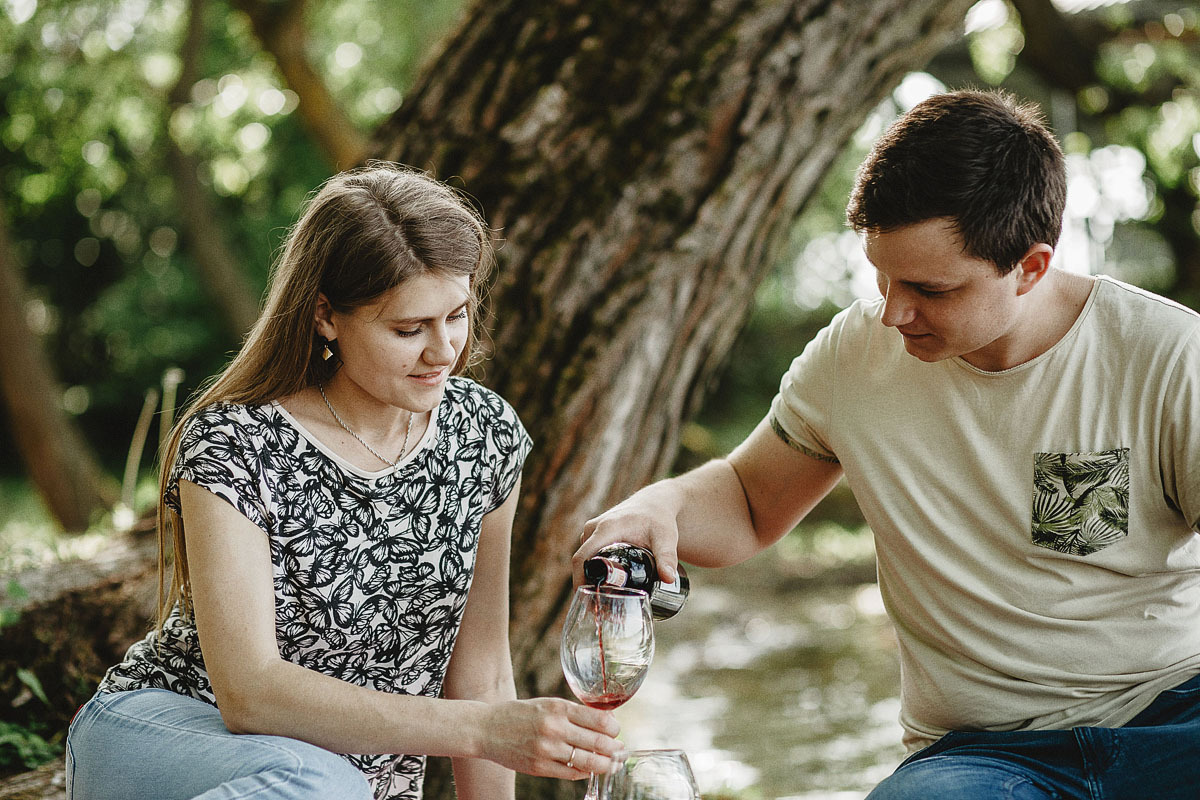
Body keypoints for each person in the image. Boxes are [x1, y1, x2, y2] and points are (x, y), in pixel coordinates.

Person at [574, 89, 1200, 799]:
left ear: (1030, 267)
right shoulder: (854, 355)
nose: (895, 311)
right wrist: (663, 505)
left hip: (1175, 719)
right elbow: (750, 504)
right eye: (882, 277)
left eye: (929, 288)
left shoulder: (1168, 359)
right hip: (983, 758)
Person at [66, 163, 621, 800]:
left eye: (458, 315)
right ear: (327, 317)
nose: (444, 350)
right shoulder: (235, 443)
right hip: (167, 738)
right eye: (408, 329)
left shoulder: (483, 433)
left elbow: (484, 674)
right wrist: (485, 729)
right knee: (317, 782)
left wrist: (489, 728)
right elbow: (250, 693)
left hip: (337, 789)